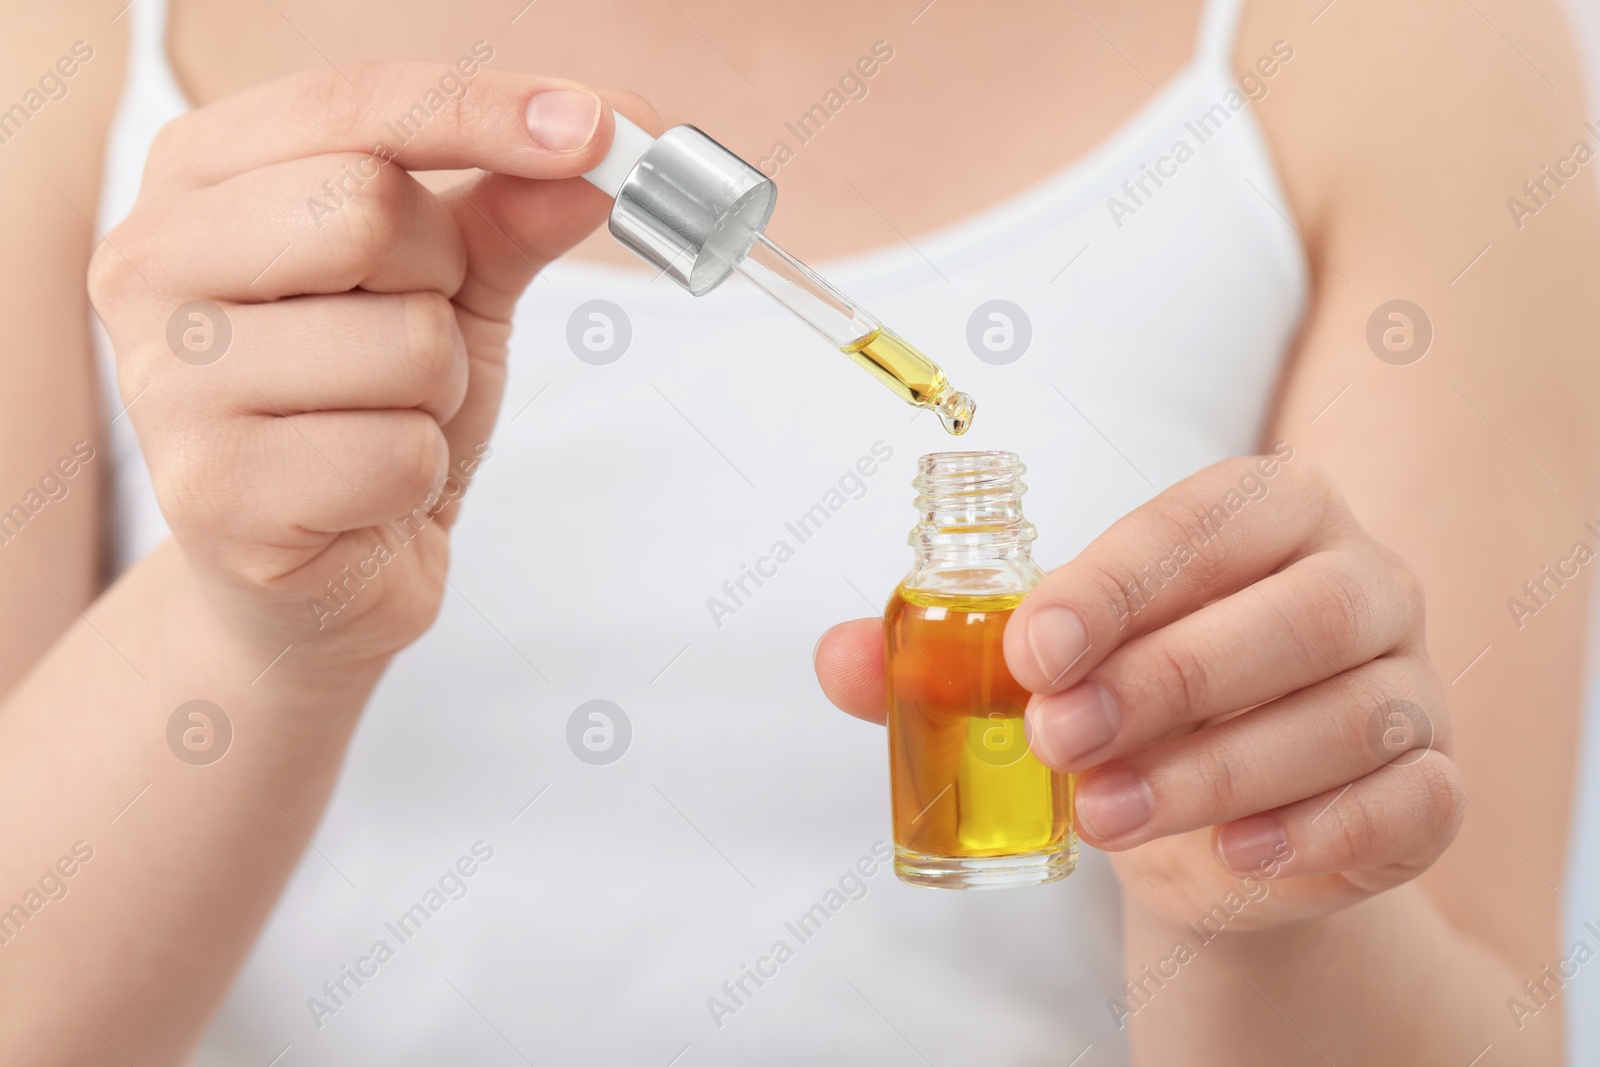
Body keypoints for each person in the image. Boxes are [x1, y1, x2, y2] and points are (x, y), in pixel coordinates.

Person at [1, 0, 1596, 1062]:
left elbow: (1486, 1013)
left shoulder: (1411, 46)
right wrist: (249, 633)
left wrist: (1259, 893)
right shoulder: (64, 54)